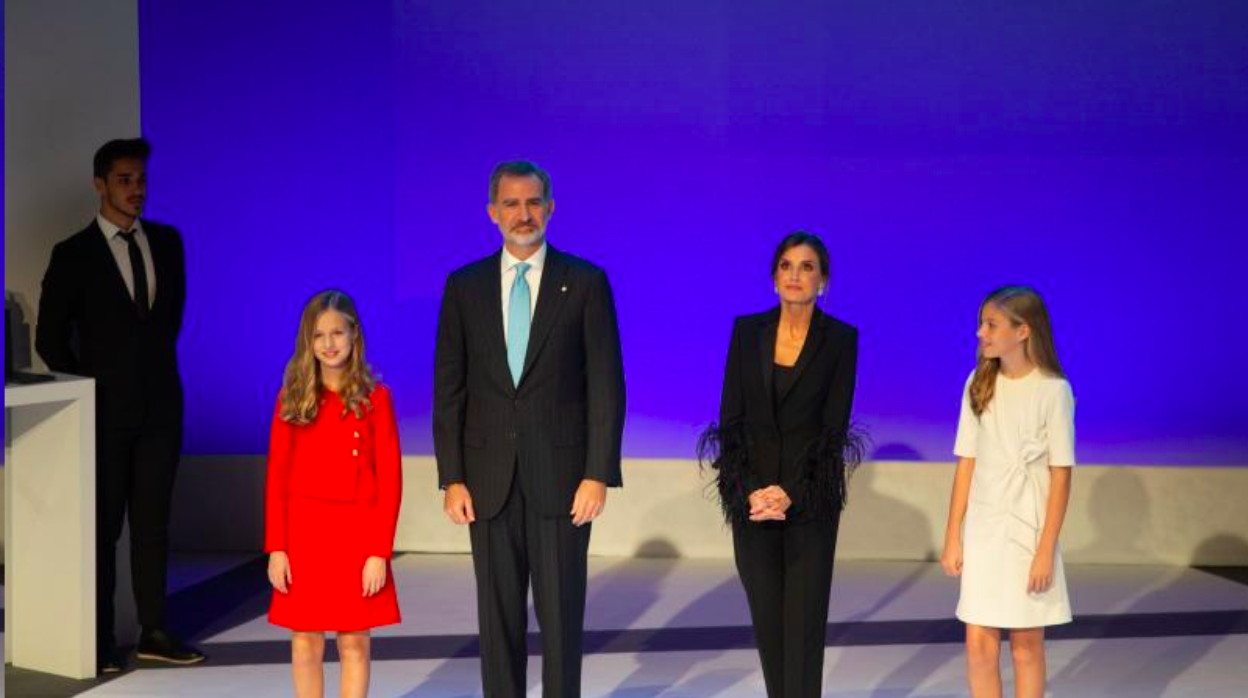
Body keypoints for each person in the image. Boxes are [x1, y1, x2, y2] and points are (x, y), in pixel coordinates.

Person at [433, 160, 626, 697]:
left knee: (562, 621)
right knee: (497, 626)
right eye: (512, 204)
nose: (524, 214)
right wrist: (452, 477)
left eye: (534, 202)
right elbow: (448, 391)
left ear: (551, 208)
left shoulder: (585, 282)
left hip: (563, 482)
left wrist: (597, 474)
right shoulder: (463, 286)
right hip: (486, 481)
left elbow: (607, 388)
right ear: (493, 213)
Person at [36, 138, 204, 673]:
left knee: (154, 525)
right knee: (103, 528)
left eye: (141, 180)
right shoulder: (73, 254)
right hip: (104, 416)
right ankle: (99, 637)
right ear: (100, 185)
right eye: (125, 180)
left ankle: (154, 629)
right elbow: (49, 337)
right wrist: (92, 389)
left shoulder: (168, 242)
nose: (136, 190)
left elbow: (166, 325)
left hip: (160, 411)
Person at [698, 231, 863, 698]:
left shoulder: (841, 340)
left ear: (822, 280)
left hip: (809, 501)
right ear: (774, 278)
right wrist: (753, 488)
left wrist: (789, 490)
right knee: (769, 625)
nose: (795, 275)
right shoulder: (746, 331)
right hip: (752, 503)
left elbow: (834, 430)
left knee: (804, 627)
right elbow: (730, 421)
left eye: (807, 267)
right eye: (787, 266)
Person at [265, 289, 402, 698]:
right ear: (308, 341)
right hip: (305, 535)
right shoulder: (293, 399)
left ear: (354, 335)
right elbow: (276, 477)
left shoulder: (376, 399)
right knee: (305, 641)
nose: (329, 344)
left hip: (357, 536)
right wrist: (277, 547)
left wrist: (379, 551)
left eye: (338, 333)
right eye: (319, 335)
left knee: (354, 641)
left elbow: (391, 480)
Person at [940, 286, 1075, 698]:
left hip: (1028, 532)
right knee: (979, 645)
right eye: (981, 323)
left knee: (1025, 645)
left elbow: (1061, 475)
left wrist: (1045, 549)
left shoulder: (1053, 390)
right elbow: (967, 462)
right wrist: (952, 535)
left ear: (1023, 331)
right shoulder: (977, 384)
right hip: (985, 529)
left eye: (991, 324)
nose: (981, 332)